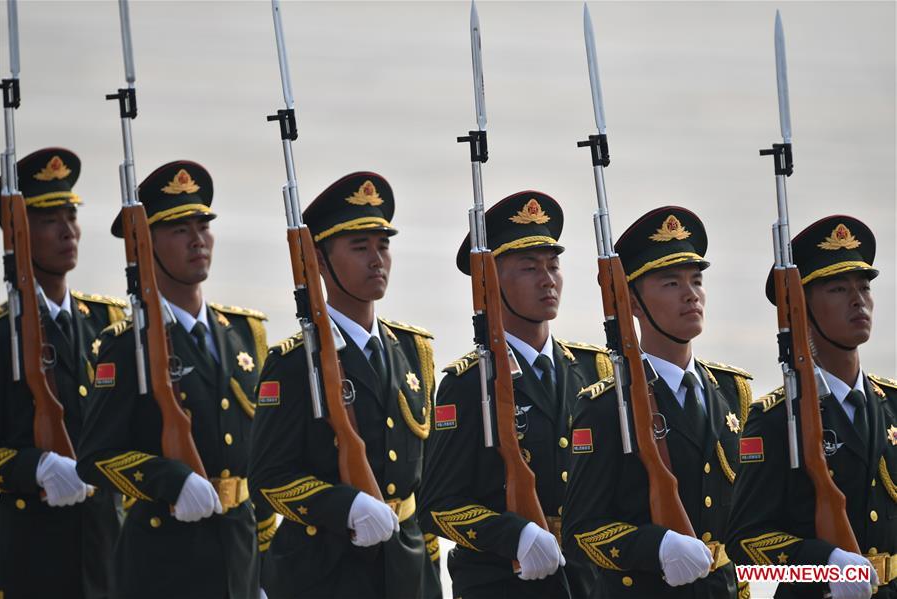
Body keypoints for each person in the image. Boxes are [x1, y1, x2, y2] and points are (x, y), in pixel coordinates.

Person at [75, 160, 272, 598]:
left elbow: (256, 463)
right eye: (180, 230)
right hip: (162, 562)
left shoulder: (245, 334)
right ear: (146, 244)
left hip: (237, 556)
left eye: (202, 225)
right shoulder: (128, 345)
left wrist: (264, 572)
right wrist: (169, 478)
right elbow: (95, 456)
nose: (198, 239)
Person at [248, 172, 441, 599]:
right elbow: (268, 477)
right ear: (318, 260)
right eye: (360, 248)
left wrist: (429, 569)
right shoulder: (295, 362)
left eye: (383, 245)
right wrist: (344, 506)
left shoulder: (413, 351)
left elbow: (421, 481)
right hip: (324, 572)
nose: (377, 259)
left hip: (405, 570)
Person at [419, 191, 613, 599]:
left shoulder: (593, 370)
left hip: (585, 582)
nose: (548, 279)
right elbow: (439, 505)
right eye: (529, 268)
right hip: (501, 584)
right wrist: (514, 535)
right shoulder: (469, 382)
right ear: (490, 283)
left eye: (554, 266)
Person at [562, 206, 752, 599]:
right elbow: (582, 530)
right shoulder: (606, 406)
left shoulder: (732, 393)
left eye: (696, 281)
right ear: (632, 303)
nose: (691, 294)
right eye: (670, 283)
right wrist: (656, 546)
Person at [726, 215, 896, 599]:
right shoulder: (776, 419)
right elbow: (745, 544)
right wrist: (824, 566)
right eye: (838, 289)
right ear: (800, 309)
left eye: (864, 287)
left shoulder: (892, 405)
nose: (858, 300)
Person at [0, 148, 126, 599]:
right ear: (17, 232)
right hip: (30, 555)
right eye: (50, 218)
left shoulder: (109, 324)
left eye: (71, 215)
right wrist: (33, 466)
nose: (68, 230)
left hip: (106, 550)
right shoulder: (1, 333)